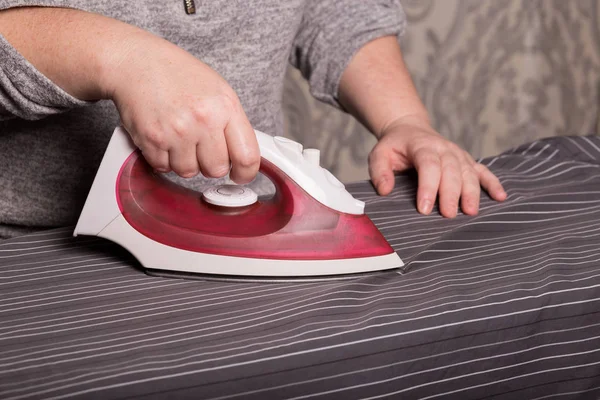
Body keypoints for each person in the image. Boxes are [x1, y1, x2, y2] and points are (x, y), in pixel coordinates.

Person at [0, 1, 506, 239]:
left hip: (248, 226)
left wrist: (403, 119)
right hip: (33, 253)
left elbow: (335, 7)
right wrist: (121, 57)